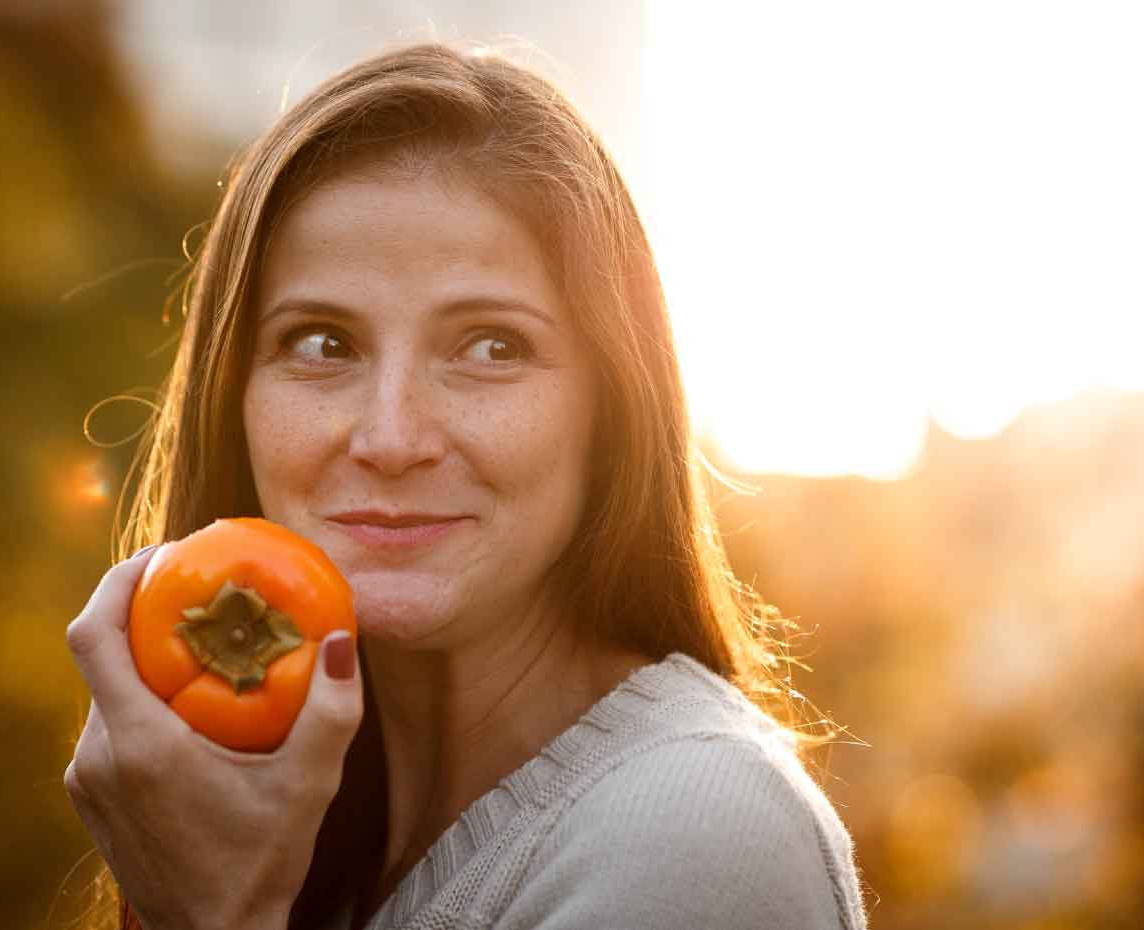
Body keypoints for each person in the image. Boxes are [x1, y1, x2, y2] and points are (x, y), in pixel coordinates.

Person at [63, 41, 869, 930]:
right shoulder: (262, 817)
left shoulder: (695, 837)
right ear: (235, 396)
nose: (392, 438)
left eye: (490, 347)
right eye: (324, 344)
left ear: (612, 410)